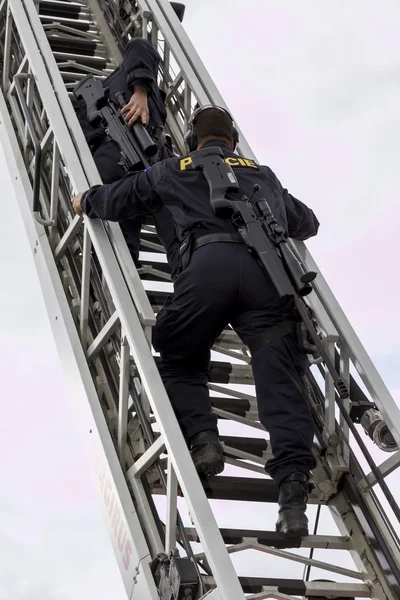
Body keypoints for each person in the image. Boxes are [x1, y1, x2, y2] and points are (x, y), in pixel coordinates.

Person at [72, 106, 320, 538]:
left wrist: (86, 199)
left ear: (191, 139)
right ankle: (293, 494)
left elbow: (120, 198)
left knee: (178, 354)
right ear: (234, 141)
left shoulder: (172, 168)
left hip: (206, 269)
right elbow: (307, 223)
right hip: (268, 276)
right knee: (282, 378)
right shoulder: (264, 174)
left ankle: (205, 441)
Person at [75, 36, 179, 279]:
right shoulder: (112, 90)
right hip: (115, 152)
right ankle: (107, 279)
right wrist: (140, 92)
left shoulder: (137, 80)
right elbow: (140, 45)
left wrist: (140, 93)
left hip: (149, 153)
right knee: (119, 222)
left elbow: (142, 47)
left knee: (176, 227)